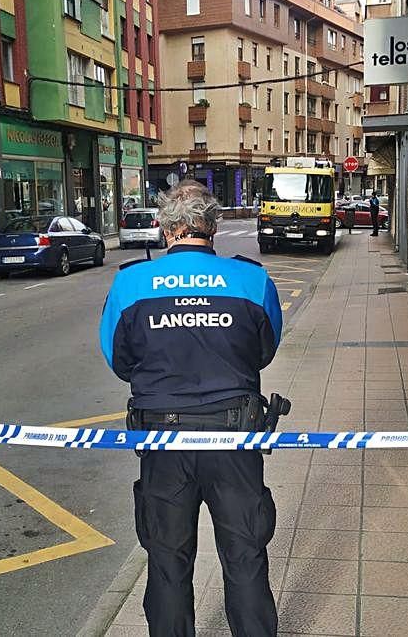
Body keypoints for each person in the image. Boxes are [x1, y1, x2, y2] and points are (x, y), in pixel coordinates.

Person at [99, 180, 283, 636]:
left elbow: (118, 360)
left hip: (162, 446)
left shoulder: (130, 283)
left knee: (166, 563)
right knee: (245, 558)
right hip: (235, 441)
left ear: (165, 229)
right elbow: (264, 351)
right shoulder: (252, 279)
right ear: (213, 226)